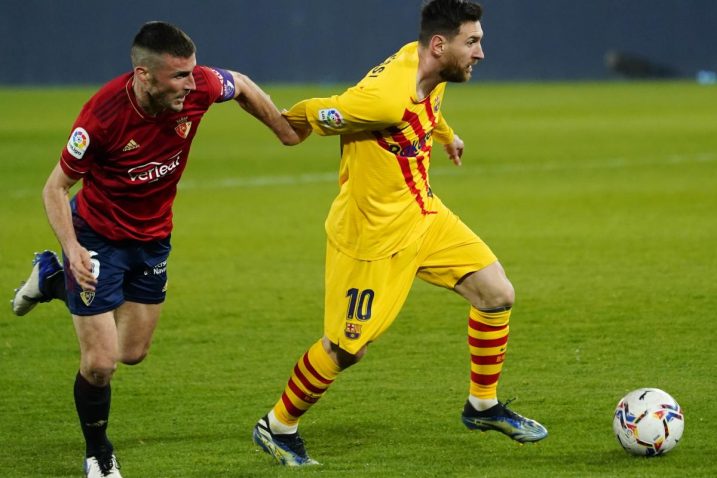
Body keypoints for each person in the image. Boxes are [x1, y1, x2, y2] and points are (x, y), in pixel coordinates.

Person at [252, 0, 547, 466]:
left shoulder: (427, 67)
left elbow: (426, 105)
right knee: (347, 349)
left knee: (497, 294)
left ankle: (482, 405)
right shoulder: (384, 98)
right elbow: (327, 109)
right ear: (439, 44)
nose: (481, 53)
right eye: (472, 42)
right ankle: (277, 425)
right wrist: (289, 126)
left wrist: (446, 135)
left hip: (423, 215)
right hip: (370, 238)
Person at [10, 21, 303, 478]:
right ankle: (98, 453)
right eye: (180, 76)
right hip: (96, 239)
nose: (193, 82)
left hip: (152, 239)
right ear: (145, 76)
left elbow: (241, 84)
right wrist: (71, 249)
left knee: (132, 352)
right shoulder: (102, 117)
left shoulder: (200, 86)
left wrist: (284, 130)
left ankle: (49, 277)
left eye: (192, 72)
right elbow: (55, 187)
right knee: (101, 364)